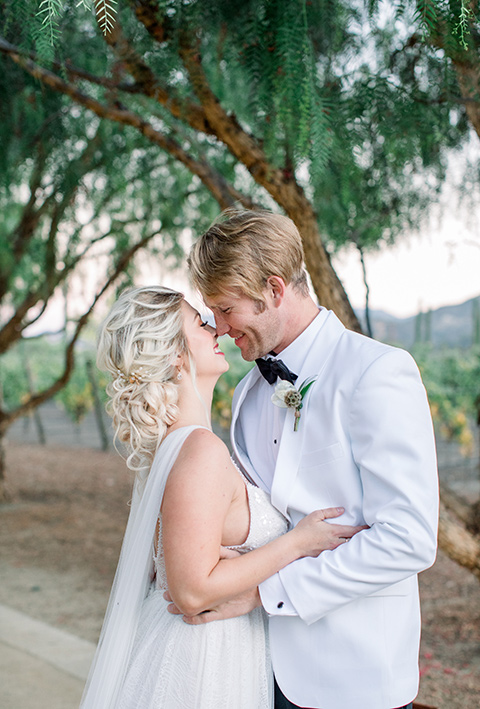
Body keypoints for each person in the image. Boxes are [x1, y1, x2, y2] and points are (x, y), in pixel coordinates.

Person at [183, 209, 440, 709]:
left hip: (354, 674)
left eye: (226, 308)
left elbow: (408, 539)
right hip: (255, 667)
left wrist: (264, 591)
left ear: (275, 289)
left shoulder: (377, 372)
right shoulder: (247, 393)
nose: (218, 326)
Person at [79, 285, 365, 709]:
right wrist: (297, 543)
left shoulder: (178, 447)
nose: (214, 326)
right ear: (177, 355)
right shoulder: (200, 451)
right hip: (202, 657)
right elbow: (192, 592)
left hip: (218, 643)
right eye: (199, 321)